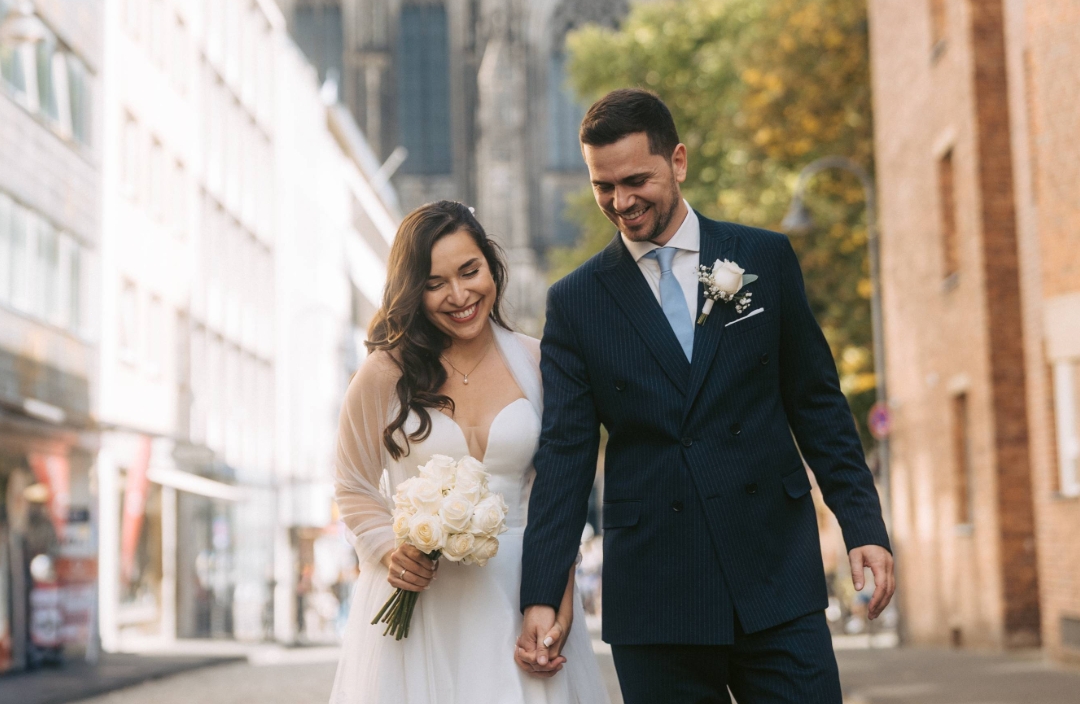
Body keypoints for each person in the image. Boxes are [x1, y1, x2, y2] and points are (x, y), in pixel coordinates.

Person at [516, 88, 893, 704]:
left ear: (679, 162)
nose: (622, 201)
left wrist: (864, 526)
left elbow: (817, 404)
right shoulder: (576, 302)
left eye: (636, 179)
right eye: (602, 187)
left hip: (775, 572)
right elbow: (565, 459)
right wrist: (540, 593)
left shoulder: (764, 259)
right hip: (656, 592)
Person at [330, 200, 607, 704]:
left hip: (524, 592)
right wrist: (392, 552)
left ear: (491, 266)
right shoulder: (383, 373)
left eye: (469, 271)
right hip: (425, 602)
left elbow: (558, 495)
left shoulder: (538, 361)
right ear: (413, 291)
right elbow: (352, 485)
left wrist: (556, 608)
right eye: (435, 283)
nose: (459, 295)